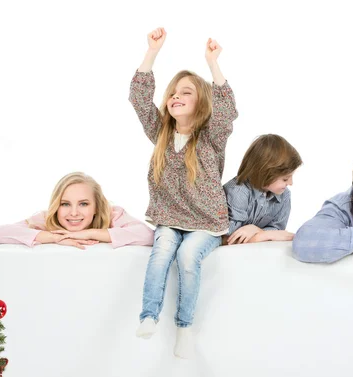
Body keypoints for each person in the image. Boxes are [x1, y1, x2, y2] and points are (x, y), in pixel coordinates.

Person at [129, 27, 238, 358]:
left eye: (186, 93)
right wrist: (152, 52)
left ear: (201, 102)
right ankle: (148, 316)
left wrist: (212, 62)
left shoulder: (211, 138)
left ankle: (185, 327)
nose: (175, 97)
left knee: (188, 257)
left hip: (206, 222)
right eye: (172, 93)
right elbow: (138, 98)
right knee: (162, 250)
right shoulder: (160, 132)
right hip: (169, 217)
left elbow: (227, 109)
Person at [0, 172, 154, 249]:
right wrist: (54, 237)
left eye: (83, 204)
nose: (73, 213)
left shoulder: (113, 214)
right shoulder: (46, 219)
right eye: (65, 204)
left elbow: (149, 235)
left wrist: (90, 233)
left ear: (96, 206)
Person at [223, 134, 301, 245]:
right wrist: (264, 235)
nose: (290, 183)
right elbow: (229, 239)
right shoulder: (237, 192)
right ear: (266, 173)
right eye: (285, 179)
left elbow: (278, 232)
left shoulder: (284, 195)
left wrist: (255, 230)